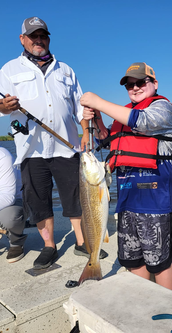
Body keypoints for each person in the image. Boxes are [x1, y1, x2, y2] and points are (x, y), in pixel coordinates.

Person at [0, 17, 107, 270]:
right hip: (30, 149)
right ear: (22, 39)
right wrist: (3, 106)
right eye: (33, 36)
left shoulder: (66, 70)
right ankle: (49, 246)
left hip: (67, 145)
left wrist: (85, 134)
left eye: (43, 36)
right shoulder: (8, 70)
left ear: (48, 38)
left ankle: (82, 242)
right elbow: (0, 105)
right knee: (38, 200)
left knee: (76, 196)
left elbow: (81, 106)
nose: (39, 40)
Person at [81, 62, 172, 291]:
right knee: (133, 259)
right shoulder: (123, 115)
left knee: (160, 262)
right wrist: (96, 117)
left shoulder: (162, 108)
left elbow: (142, 122)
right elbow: (108, 141)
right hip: (127, 199)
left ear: (154, 83)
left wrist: (99, 103)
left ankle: (171, 311)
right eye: (129, 85)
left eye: (140, 82)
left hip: (155, 199)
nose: (134, 88)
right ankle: (143, 306)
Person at [0, 147, 27, 263]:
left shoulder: (3, 156)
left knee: (9, 218)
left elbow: (8, 196)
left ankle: (16, 242)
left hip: (15, 202)